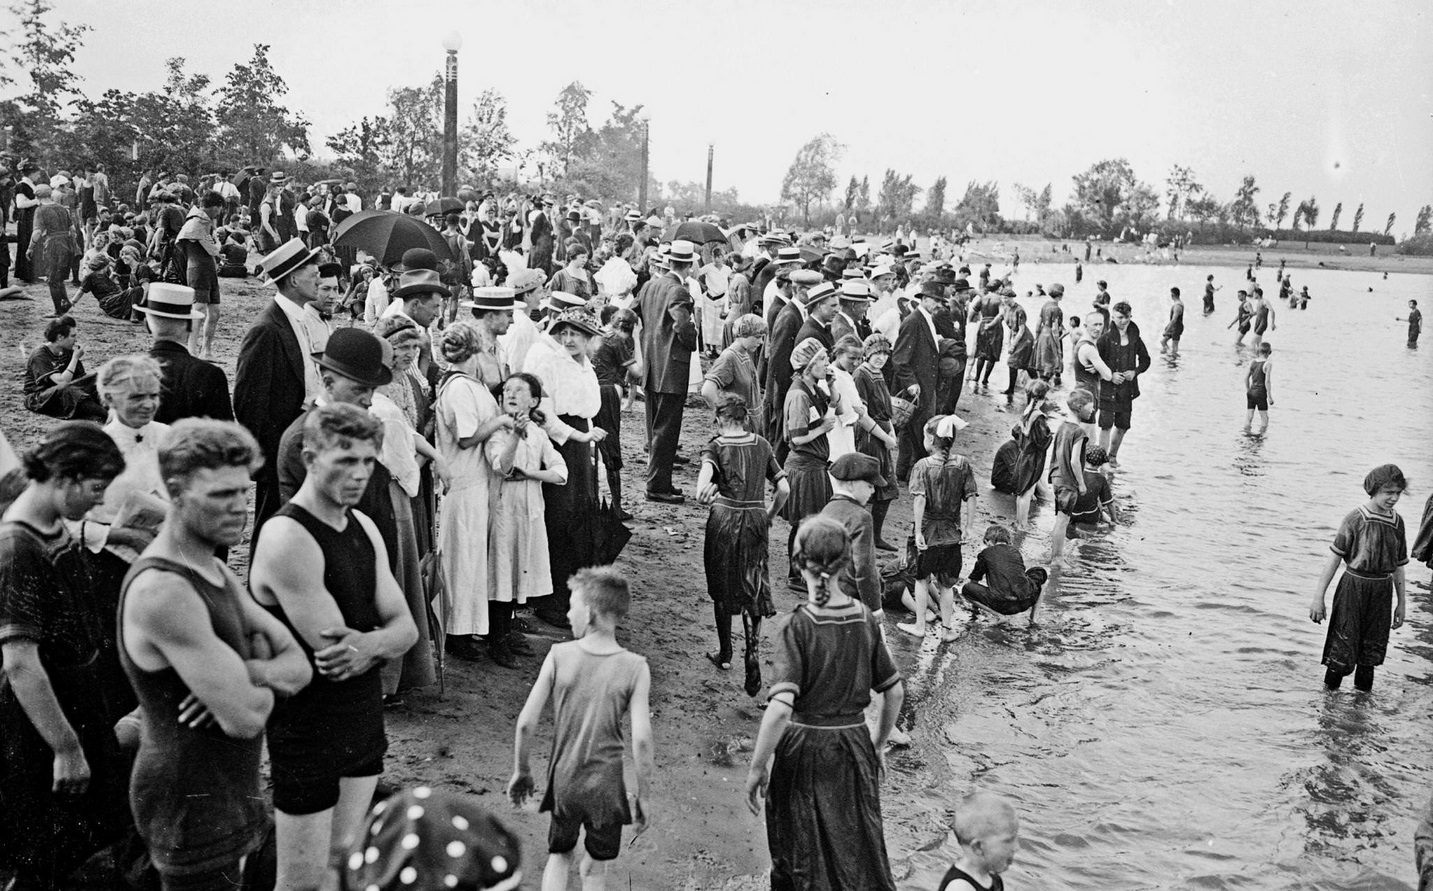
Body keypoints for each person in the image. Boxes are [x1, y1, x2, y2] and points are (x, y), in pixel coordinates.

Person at [119, 419, 311, 891]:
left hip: (229, 793)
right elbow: (245, 718)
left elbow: (301, 665)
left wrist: (245, 672)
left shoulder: (211, 569)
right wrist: (264, 679)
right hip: (187, 804)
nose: (240, 509)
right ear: (178, 492)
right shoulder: (165, 589)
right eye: (221, 495)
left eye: (243, 493)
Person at [249, 403, 419, 891]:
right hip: (308, 726)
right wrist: (378, 641)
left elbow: (406, 627)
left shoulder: (362, 527)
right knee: (300, 880)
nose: (359, 474)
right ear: (310, 456)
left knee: (344, 865)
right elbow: (336, 653)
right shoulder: (288, 536)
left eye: (368, 461)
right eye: (345, 460)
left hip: (361, 720)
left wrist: (372, 643)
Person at [0, 423, 132, 891]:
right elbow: (20, 661)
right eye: (96, 489)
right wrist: (66, 747)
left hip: (74, 696)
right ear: (66, 477)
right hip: (44, 716)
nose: (98, 502)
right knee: (43, 837)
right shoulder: (18, 544)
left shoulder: (50, 523)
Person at [744, 515, 903, 891]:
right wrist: (876, 745)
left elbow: (781, 708)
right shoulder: (863, 617)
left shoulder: (797, 624)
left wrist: (757, 766)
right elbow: (893, 691)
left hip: (804, 748)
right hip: (853, 744)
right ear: (847, 563)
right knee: (856, 850)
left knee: (799, 849)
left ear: (799, 563)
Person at [508, 566, 653, 891]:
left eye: (572, 605)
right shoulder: (636, 668)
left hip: (566, 781)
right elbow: (642, 740)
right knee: (596, 870)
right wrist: (644, 795)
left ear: (589, 612)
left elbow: (526, 722)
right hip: (607, 787)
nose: (568, 612)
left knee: (559, 857)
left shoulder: (559, 655)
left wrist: (522, 770)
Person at [234, 238, 325, 556]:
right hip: (278, 451)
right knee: (271, 526)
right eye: (311, 271)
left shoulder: (299, 318)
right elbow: (248, 401)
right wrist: (265, 460)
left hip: (300, 442)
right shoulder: (267, 329)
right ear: (292, 279)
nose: (318, 277)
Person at [697, 395, 789, 694]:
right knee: (754, 585)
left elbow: (703, 485)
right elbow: (784, 488)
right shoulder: (761, 444)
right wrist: (770, 516)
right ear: (746, 418)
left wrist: (704, 492)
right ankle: (752, 650)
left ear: (720, 419)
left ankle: (725, 654)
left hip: (724, 517)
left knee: (721, 586)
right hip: (755, 518)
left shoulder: (716, 446)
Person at [432, 321, 512, 662]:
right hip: (463, 484)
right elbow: (466, 437)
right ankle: (455, 633)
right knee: (461, 558)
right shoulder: (459, 388)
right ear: (474, 353)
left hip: (476, 482)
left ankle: (466, 628)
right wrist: (500, 421)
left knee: (472, 558)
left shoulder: (469, 385)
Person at [522, 309, 606, 629]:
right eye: (565, 333)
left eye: (577, 334)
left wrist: (588, 441)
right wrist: (574, 436)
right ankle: (550, 598)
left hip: (583, 444)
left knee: (581, 517)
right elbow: (543, 414)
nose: (569, 340)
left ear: (588, 339)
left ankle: (574, 593)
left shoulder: (587, 367)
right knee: (559, 518)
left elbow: (589, 410)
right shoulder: (550, 363)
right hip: (559, 444)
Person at [485, 371, 567, 668]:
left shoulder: (539, 433)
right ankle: (497, 640)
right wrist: (515, 437)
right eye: (507, 389)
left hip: (531, 509)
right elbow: (502, 468)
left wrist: (532, 474)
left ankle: (508, 631)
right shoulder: (497, 431)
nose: (511, 394)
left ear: (533, 400)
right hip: (504, 508)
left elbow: (560, 471)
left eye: (519, 391)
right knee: (502, 571)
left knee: (520, 569)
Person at [1309, 464, 1409, 693]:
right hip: (1353, 587)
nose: (1393, 498)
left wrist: (1401, 604)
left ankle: (1361, 708)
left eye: (1398, 493)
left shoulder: (1397, 522)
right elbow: (1334, 559)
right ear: (1373, 490)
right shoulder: (1356, 518)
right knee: (1341, 647)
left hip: (1382, 591)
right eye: (1388, 492)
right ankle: (1328, 703)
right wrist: (1318, 598)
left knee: (1371, 653)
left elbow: (1399, 567)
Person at [898, 414, 977, 641]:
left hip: (929, 533)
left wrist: (918, 531)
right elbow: (971, 496)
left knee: (922, 580)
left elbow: (920, 499)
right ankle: (947, 630)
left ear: (932, 439)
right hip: (952, 533)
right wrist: (969, 527)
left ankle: (920, 625)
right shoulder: (962, 464)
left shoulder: (922, 466)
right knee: (947, 585)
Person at [636, 240, 700, 503]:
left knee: (655, 428)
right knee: (666, 431)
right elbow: (682, 326)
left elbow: (631, 313)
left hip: (652, 365)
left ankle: (660, 481)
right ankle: (657, 486)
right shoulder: (678, 291)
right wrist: (692, 337)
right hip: (672, 369)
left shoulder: (650, 285)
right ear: (688, 265)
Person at [781, 337, 836, 588]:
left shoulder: (813, 387)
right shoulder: (799, 395)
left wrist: (832, 384)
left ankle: (804, 570)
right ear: (807, 365)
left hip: (814, 465)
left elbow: (834, 405)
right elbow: (797, 437)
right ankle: (796, 574)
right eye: (822, 360)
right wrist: (822, 428)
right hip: (803, 465)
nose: (827, 364)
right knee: (804, 523)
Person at [138, 283, 235, 424]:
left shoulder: (126, 370)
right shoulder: (208, 375)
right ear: (190, 325)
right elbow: (225, 436)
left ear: (147, 325)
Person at [893, 280, 945, 478]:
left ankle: (904, 473)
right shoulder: (914, 321)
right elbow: (899, 358)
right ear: (923, 299)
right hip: (917, 388)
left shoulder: (926, 319)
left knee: (910, 433)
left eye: (941, 301)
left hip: (926, 386)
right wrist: (911, 383)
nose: (939, 304)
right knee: (919, 434)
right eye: (935, 300)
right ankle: (913, 474)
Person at [853, 333, 900, 550]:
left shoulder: (878, 373)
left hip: (882, 435)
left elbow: (885, 409)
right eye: (876, 353)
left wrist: (891, 432)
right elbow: (862, 416)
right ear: (867, 353)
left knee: (886, 488)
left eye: (884, 354)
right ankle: (858, 536)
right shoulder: (861, 375)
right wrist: (884, 437)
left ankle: (876, 536)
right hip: (869, 438)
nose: (881, 358)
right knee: (868, 486)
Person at [592, 306, 640, 516]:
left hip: (590, 388)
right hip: (608, 391)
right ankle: (617, 507)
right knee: (611, 445)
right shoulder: (618, 340)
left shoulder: (597, 333)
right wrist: (638, 341)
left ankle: (594, 500)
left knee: (593, 442)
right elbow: (636, 372)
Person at [1096, 301, 1151, 467]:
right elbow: (1094, 364)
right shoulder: (1104, 339)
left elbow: (1146, 360)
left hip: (1126, 391)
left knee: (1123, 426)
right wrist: (1109, 375)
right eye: (1120, 317)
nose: (1123, 321)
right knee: (1105, 426)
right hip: (1107, 389)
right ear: (1113, 317)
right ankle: (1101, 459)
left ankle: (1112, 456)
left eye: (1126, 317)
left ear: (1130, 316)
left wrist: (1135, 372)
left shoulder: (1135, 339)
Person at [23, 314, 106, 421]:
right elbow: (62, 381)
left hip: (63, 392)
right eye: (72, 336)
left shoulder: (67, 350)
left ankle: (110, 407)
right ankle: (105, 415)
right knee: (67, 389)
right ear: (60, 337)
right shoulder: (40, 355)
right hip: (40, 397)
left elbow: (80, 377)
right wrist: (75, 358)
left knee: (97, 377)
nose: (75, 340)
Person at [960, 525, 1049, 623]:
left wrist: (975, 609)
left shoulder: (985, 553)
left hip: (1001, 605)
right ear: (1008, 542)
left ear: (987, 541)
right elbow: (1019, 576)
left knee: (967, 589)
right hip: (1026, 601)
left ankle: (998, 615)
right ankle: (1034, 618)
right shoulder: (1015, 552)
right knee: (1040, 573)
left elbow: (974, 580)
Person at [937, 792, 1021, 891]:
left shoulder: (993, 878)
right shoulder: (960, 887)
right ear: (978, 847)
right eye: (1008, 841)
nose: (1016, 847)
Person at [1048, 388, 1096, 560]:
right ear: (1080, 407)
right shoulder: (1079, 432)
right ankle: (1057, 558)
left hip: (1056, 476)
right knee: (1063, 521)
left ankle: (1055, 551)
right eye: (1091, 407)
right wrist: (1082, 483)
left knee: (1060, 519)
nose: (1093, 410)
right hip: (1068, 481)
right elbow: (1075, 461)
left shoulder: (1062, 427)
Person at [177, 191, 225, 358]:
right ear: (214, 207)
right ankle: (191, 350)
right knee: (199, 309)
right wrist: (218, 247)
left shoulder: (201, 221)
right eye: (219, 208)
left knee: (214, 311)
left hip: (207, 268)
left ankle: (206, 349)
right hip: (198, 269)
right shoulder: (197, 222)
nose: (219, 212)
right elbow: (211, 248)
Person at [29, 184, 78, 316]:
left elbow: (37, 232)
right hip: (66, 243)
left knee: (52, 279)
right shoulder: (62, 208)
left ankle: (58, 310)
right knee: (59, 277)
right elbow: (72, 229)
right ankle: (66, 302)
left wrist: (30, 247)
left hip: (53, 245)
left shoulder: (40, 210)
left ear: (37, 197)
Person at [1011, 379, 1054, 531]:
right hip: (1033, 459)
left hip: (1023, 455)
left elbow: (1015, 432)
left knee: (1021, 492)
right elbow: (1042, 441)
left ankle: (1018, 521)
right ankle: (1023, 524)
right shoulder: (1039, 417)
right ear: (1043, 398)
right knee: (1027, 492)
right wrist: (1051, 436)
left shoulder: (1026, 412)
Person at [1033, 284, 1066, 385]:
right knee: (1052, 364)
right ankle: (1044, 389)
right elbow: (1055, 329)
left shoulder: (1045, 305)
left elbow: (1038, 323)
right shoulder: (1057, 309)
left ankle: (1040, 386)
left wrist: (1036, 338)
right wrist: (1058, 346)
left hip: (1043, 333)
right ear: (1060, 296)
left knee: (1043, 363)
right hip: (1051, 336)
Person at [1243, 342, 1275, 435]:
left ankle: (1246, 434)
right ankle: (1261, 437)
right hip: (1261, 393)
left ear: (1258, 351)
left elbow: (1246, 378)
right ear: (1270, 352)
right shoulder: (1268, 364)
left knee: (1249, 415)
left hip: (1251, 392)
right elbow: (1267, 381)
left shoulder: (1252, 362)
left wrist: (1248, 390)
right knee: (1264, 418)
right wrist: (1269, 396)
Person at [1160, 286, 1185, 356]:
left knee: (1174, 347)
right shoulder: (1177, 304)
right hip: (1173, 327)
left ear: (1172, 295)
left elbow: (1174, 319)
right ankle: (1169, 356)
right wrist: (1167, 326)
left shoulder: (1178, 306)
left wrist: (1167, 329)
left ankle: (1174, 358)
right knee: (1163, 341)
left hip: (1177, 327)